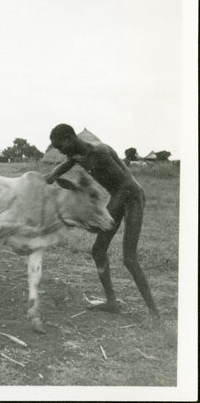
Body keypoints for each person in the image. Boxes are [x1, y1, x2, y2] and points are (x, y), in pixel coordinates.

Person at [44, 124, 159, 318]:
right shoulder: (76, 155)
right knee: (98, 250)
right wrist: (52, 176)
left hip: (132, 197)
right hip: (118, 196)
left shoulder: (100, 151)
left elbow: (125, 185)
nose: (60, 150)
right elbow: (65, 164)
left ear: (70, 137)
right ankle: (111, 302)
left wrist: (101, 214)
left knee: (129, 258)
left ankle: (154, 312)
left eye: (60, 146)